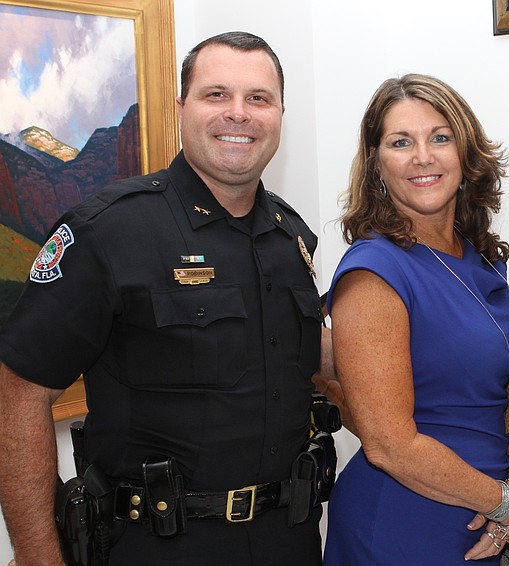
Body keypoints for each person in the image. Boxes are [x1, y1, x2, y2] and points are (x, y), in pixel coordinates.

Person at [0, 31, 330, 565]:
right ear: (182, 108)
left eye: (258, 99)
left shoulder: (291, 237)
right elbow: (18, 392)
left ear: (280, 114)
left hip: (288, 540)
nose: (239, 114)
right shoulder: (109, 232)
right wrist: (39, 557)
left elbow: (309, 355)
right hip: (158, 545)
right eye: (216, 94)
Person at [321, 73, 509, 565]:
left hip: (488, 520)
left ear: (465, 153)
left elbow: (507, 382)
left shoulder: (480, 260)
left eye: (440, 137)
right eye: (402, 142)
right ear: (377, 162)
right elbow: (389, 445)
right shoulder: (374, 272)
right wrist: (506, 503)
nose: (423, 156)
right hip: (405, 525)